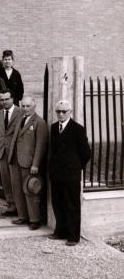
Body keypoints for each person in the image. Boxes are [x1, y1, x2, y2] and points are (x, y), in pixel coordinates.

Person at [49, 100, 91, 246]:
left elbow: (86, 153)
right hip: (56, 174)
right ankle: (60, 231)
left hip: (71, 175)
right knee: (58, 203)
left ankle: (73, 236)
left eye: (64, 111)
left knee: (72, 205)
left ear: (70, 112)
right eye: (58, 111)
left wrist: (76, 167)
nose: (61, 114)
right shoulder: (54, 128)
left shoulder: (78, 129)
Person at [8, 96, 48, 231]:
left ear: (34, 106)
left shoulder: (39, 123)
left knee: (30, 191)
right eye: (23, 106)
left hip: (29, 163)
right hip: (15, 160)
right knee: (17, 189)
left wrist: (35, 164)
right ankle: (22, 216)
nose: (25, 109)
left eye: (28, 106)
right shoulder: (20, 119)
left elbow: (40, 146)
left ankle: (34, 219)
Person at [0, 89, 23, 216]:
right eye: (2, 99)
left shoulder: (21, 112)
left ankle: (20, 207)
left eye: (7, 99)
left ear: (12, 99)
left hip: (15, 151)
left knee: (16, 180)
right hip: (2, 151)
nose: (4, 102)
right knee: (5, 180)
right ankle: (11, 205)